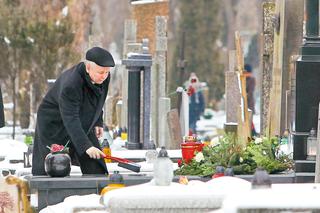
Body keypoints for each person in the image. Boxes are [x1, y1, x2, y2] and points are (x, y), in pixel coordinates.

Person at [32, 47, 115, 175]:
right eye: (101, 72)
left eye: (107, 72)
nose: (104, 76)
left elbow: (99, 99)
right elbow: (70, 119)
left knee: (96, 164)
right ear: (88, 67)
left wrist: (98, 121)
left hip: (80, 121)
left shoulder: (103, 77)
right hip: (55, 125)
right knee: (55, 167)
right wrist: (86, 146)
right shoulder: (71, 84)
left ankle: (96, 192)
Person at [244, 64, 256, 136]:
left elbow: (250, 92)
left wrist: (245, 95)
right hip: (244, 103)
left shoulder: (252, 80)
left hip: (249, 103)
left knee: (249, 120)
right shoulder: (243, 79)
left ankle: (252, 133)